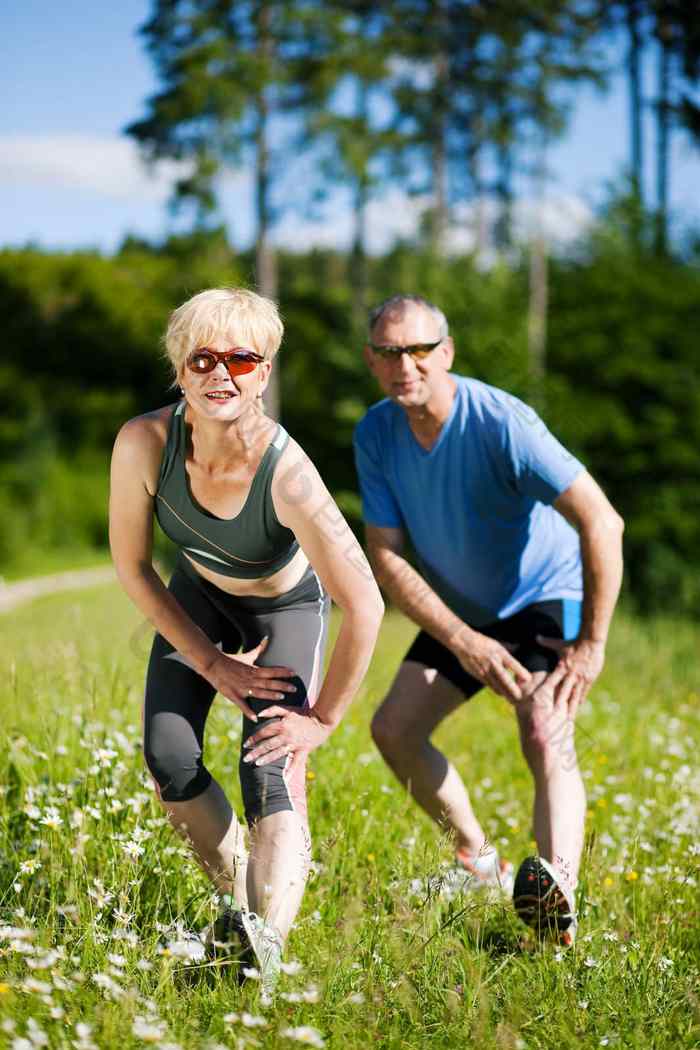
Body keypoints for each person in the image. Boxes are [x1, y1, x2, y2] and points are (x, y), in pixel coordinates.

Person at [110, 287, 383, 993]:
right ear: (179, 367)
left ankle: (262, 947)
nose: (220, 373)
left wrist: (322, 720)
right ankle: (245, 897)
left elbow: (366, 602)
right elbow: (133, 568)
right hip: (200, 598)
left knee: (270, 762)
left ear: (264, 371)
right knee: (169, 756)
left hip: (283, 606)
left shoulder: (289, 475)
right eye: (202, 358)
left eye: (241, 358)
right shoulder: (144, 444)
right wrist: (208, 661)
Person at [353, 294, 624, 946]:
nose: (405, 365)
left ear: (445, 353)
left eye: (419, 349)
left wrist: (590, 644)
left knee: (543, 723)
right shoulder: (376, 433)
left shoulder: (503, 424)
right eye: (389, 352)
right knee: (394, 730)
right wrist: (461, 638)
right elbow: (385, 556)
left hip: (542, 594)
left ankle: (557, 890)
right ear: (373, 360)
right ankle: (477, 863)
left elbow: (602, 520)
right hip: (464, 609)